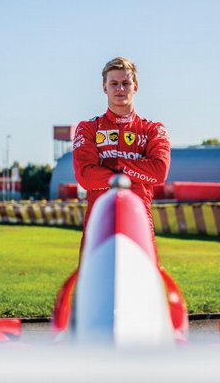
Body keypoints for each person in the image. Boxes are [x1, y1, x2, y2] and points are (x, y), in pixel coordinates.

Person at [72, 56, 171, 254]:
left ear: (135, 86)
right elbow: (86, 177)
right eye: (114, 83)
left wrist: (110, 164)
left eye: (126, 83)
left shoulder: (153, 129)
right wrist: (137, 170)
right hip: (98, 221)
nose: (120, 89)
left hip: (139, 222)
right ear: (104, 87)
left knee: (144, 284)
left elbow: (159, 173)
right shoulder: (88, 128)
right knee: (90, 284)